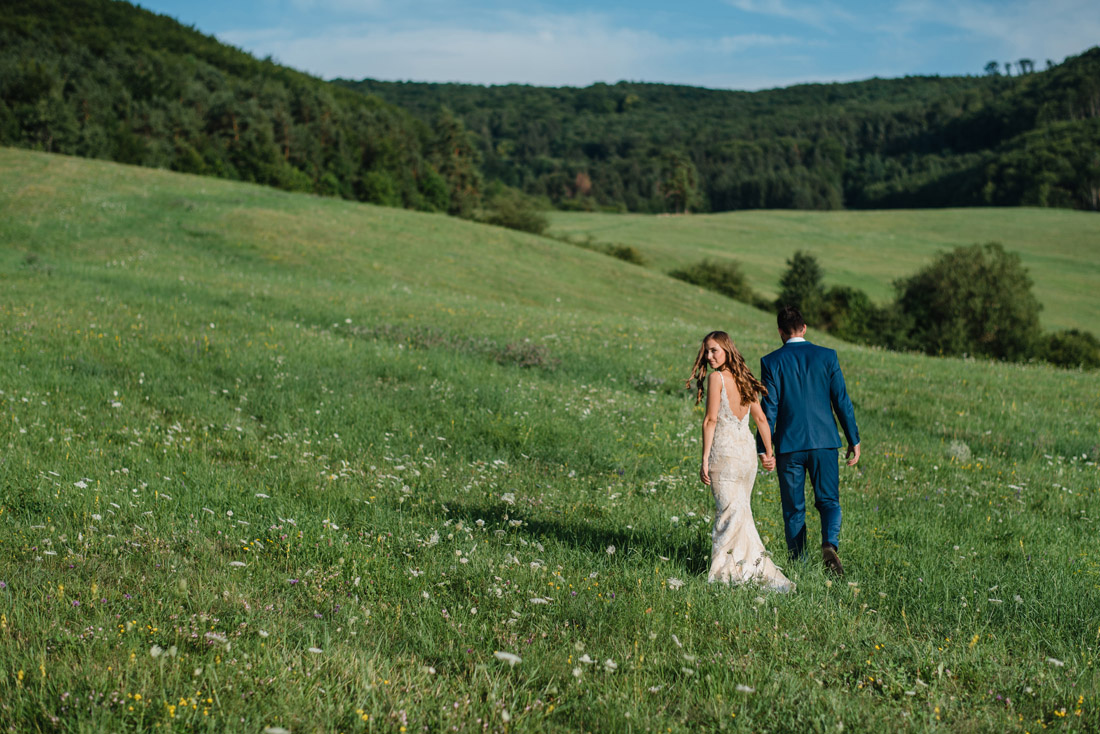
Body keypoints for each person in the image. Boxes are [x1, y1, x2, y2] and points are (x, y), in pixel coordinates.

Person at [756, 306, 860, 576]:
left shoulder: (771, 362)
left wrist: (764, 448)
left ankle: (798, 565)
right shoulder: (827, 356)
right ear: (804, 328)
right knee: (829, 501)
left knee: (793, 508)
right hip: (825, 442)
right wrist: (853, 438)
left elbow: (769, 410)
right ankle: (829, 544)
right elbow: (842, 401)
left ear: (780, 332)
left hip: (789, 446)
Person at [689, 331, 793, 592]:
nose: (709, 356)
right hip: (746, 456)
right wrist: (768, 452)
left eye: (714, 350)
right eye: (707, 351)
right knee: (740, 513)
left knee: (728, 514)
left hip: (725, 455)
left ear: (727, 350)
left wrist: (703, 459)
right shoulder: (745, 379)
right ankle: (748, 565)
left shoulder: (717, 379)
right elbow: (761, 420)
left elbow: (710, 420)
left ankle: (726, 573)